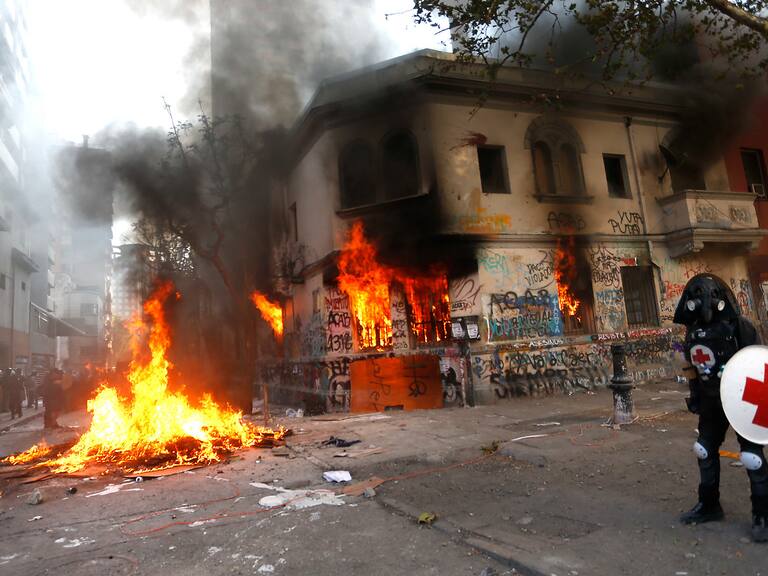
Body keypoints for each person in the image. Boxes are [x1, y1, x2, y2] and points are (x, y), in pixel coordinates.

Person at [675, 273, 768, 542]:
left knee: (751, 456)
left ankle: (762, 514)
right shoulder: (691, 331)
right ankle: (709, 505)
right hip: (710, 400)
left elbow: (755, 361)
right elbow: (692, 366)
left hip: (742, 399)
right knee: (704, 450)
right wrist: (694, 395)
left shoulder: (739, 326)